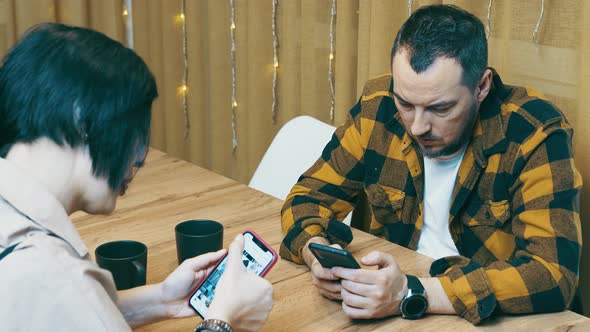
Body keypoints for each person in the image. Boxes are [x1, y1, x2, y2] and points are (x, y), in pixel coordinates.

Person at [280, 4, 582, 325]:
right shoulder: (378, 105)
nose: (418, 126)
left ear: (481, 87)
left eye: (440, 108)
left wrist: (409, 293)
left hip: (480, 314)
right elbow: (307, 198)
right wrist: (317, 255)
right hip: (388, 301)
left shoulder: (534, 132)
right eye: (406, 103)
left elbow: (553, 274)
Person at [0, 23, 272, 332]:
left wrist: (162, 299)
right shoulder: (51, 274)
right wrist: (223, 321)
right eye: (132, 132)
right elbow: (64, 296)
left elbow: (69, 315)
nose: (140, 157)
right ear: (82, 121)